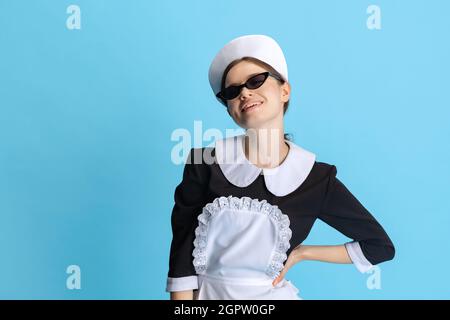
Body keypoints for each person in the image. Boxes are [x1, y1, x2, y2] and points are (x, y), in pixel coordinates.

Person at [166, 34, 395, 300]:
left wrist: (303, 253)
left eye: (255, 81)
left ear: (284, 90)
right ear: (229, 109)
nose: (245, 93)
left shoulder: (316, 178)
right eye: (232, 91)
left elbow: (379, 246)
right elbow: (182, 257)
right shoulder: (203, 163)